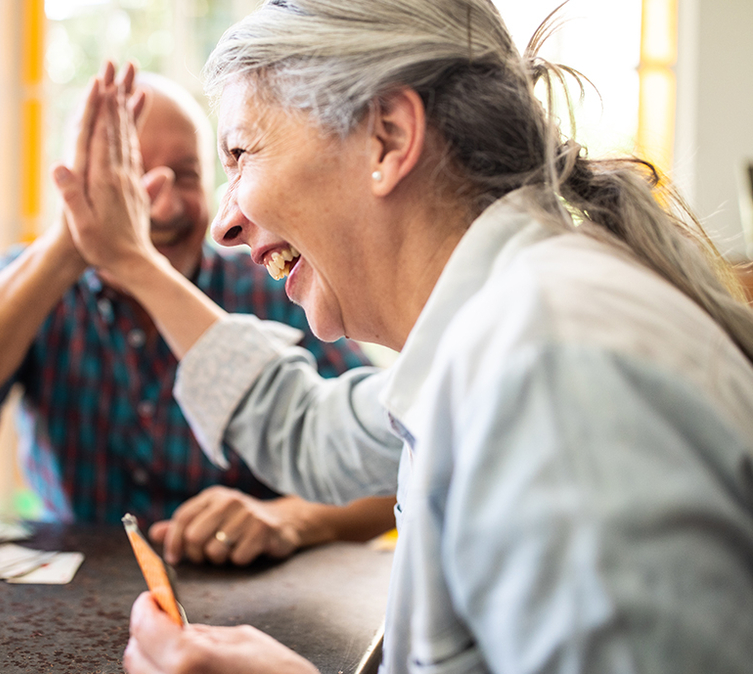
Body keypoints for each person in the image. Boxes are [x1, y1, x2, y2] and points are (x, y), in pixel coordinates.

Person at [52, 0, 753, 672]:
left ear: (386, 137)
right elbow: (312, 428)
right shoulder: (492, 335)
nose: (224, 225)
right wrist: (135, 265)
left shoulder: (553, 375)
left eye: (242, 153)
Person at [0, 68, 397, 567]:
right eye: (130, 177)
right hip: (72, 591)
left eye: (188, 175)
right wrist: (71, 245)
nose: (163, 202)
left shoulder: (274, 283)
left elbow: (390, 454)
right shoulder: (28, 279)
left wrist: (286, 519)